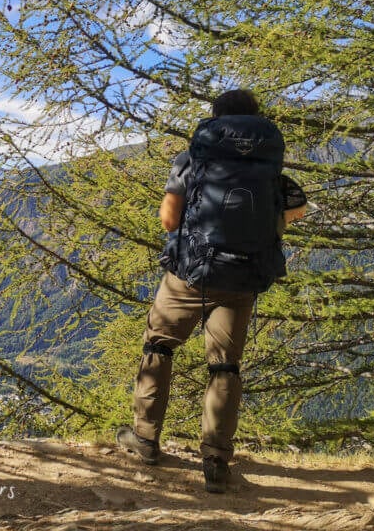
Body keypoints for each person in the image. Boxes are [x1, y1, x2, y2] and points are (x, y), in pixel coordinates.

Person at [115, 89, 307, 493]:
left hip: (191, 275)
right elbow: (293, 212)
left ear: (215, 120)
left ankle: (146, 439)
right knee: (225, 365)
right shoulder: (269, 169)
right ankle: (217, 461)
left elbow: (169, 221)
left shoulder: (190, 161)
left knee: (160, 346)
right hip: (244, 277)